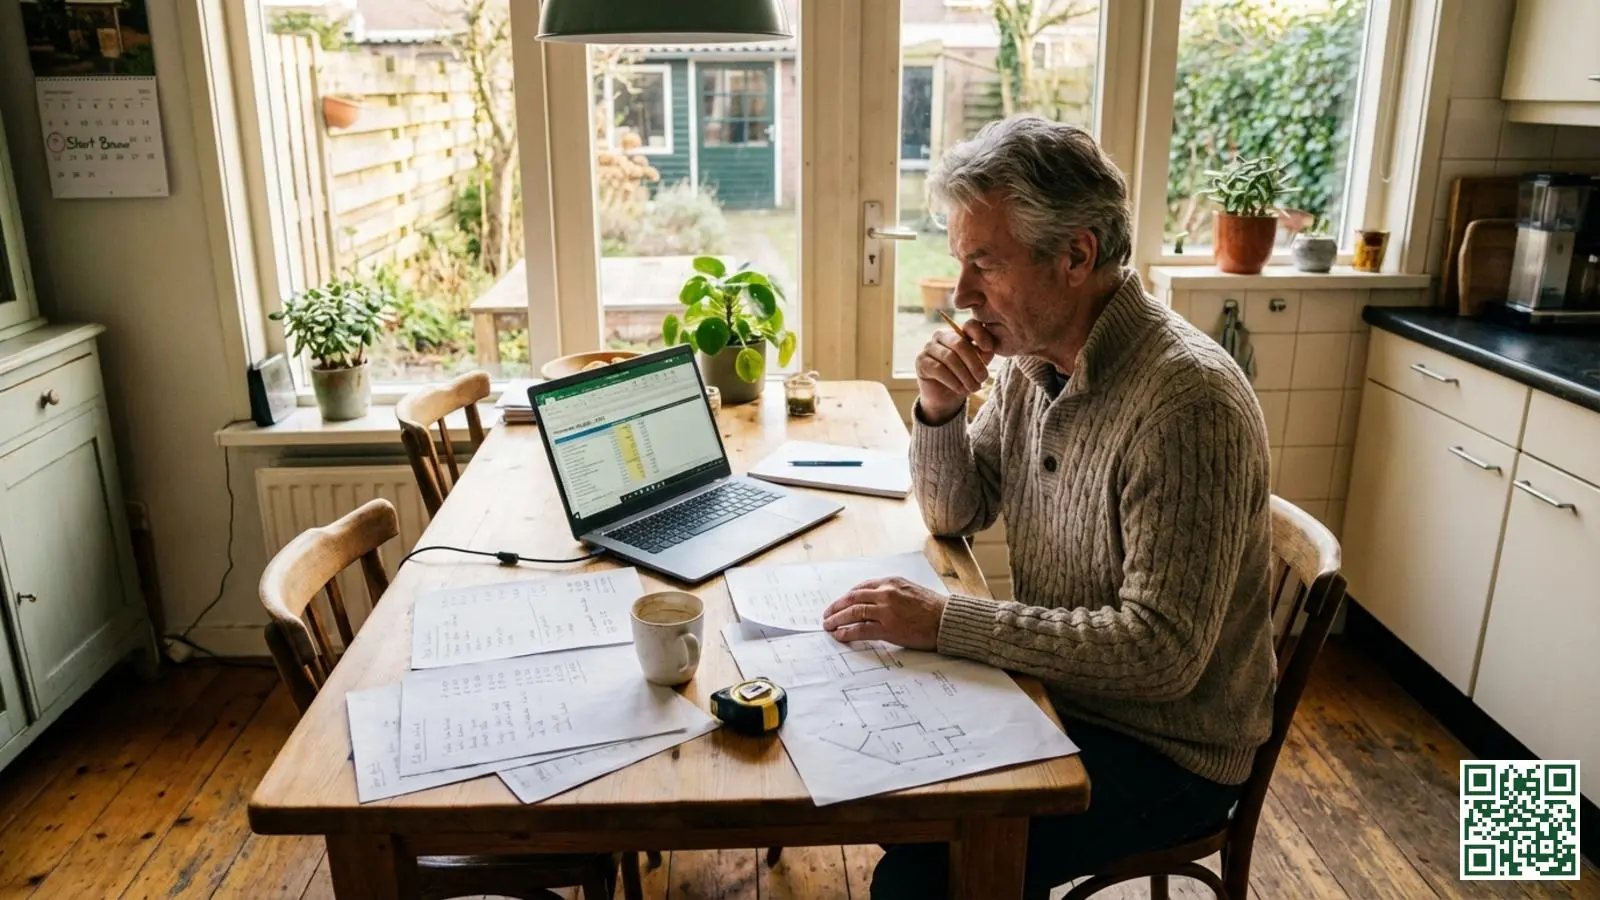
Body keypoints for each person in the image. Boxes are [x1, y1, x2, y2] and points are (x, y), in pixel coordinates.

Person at [820, 115, 1278, 900]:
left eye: (984, 264)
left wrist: (945, 623)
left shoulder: (1186, 403)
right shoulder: (1040, 360)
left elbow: (1160, 653)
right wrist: (938, 408)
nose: (960, 294)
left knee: (924, 876)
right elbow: (954, 513)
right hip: (1062, 690)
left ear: (1076, 256)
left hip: (1167, 749)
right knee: (873, 778)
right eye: (960, 262)